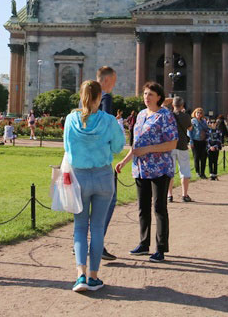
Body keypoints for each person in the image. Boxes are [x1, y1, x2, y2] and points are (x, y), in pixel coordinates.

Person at [63, 80, 125, 292]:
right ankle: (94, 277)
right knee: (97, 227)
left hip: (79, 177)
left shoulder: (71, 119)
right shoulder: (109, 121)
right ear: (100, 98)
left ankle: (80, 275)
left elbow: (67, 148)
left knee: (80, 227)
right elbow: (118, 147)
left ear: (80, 96)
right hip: (103, 177)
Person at [116, 81, 177, 263]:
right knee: (143, 208)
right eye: (144, 94)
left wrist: (149, 149)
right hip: (141, 168)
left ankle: (160, 248)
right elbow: (137, 145)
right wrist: (125, 161)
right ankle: (143, 243)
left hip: (160, 168)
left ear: (159, 97)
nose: (146, 97)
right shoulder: (141, 115)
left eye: (150, 94)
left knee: (159, 208)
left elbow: (172, 143)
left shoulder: (165, 116)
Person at [96, 66, 121, 262]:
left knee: (85, 204)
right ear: (106, 80)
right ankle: (97, 244)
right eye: (113, 81)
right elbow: (108, 128)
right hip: (102, 160)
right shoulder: (105, 98)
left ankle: (77, 243)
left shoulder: (85, 98)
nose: (115, 84)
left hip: (82, 161)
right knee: (108, 201)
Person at [167, 97, 194, 203]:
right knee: (185, 170)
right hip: (182, 145)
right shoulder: (186, 116)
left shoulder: (169, 115)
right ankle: (184, 194)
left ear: (173, 105)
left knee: (170, 171)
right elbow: (190, 128)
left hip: (170, 145)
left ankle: (169, 195)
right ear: (182, 106)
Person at [189, 108, 209, 179]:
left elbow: (207, 129)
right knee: (196, 157)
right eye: (197, 113)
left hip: (203, 141)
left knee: (203, 157)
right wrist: (190, 142)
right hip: (195, 140)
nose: (199, 114)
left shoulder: (204, 121)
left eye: (200, 113)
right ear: (195, 113)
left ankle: (202, 173)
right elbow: (189, 132)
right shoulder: (192, 121)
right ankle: (197, 172)